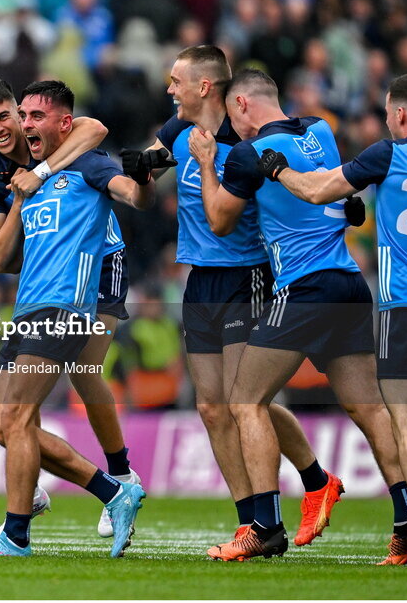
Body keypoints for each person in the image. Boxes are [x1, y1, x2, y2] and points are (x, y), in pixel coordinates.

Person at [264, 72, 407, 567]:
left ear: (402, 115)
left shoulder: (388, 154)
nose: (387, 120)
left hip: (406, 310)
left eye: (389, 112)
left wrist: (280, 169)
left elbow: (316, 190)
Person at [130, 45, 347, 555]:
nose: (169, 90)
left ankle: (305, 487)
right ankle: (252, 516)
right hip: (199, 280)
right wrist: (137, 173)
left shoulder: (244, 137)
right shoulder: (174, 132)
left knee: (245, 400)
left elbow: (230, 215)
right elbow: (142, 192)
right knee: (211, 407)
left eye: (175, 80)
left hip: (247, 276)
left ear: (204, 86)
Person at [191, 69, 407, 562]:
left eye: (233, 115)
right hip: (349, 283)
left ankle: (264, 527)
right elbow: (332, 194)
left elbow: (220, 221)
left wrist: (208, 163)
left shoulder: (249, 156)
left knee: (245, 402)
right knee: (370, 410)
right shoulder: (320, 129)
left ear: (243, 103)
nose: (235, 128)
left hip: (304, 288)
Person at [0, 77, 141, 538]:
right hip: (42, 277)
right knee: (12, 420)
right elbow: (2, 258)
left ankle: (121, 476)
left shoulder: (48, 134)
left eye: (6, 116)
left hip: (100, 260)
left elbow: (95, 129)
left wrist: (39, 174)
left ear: (19, 113)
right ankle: (37, 478)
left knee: (84, 370)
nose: (2, 128)